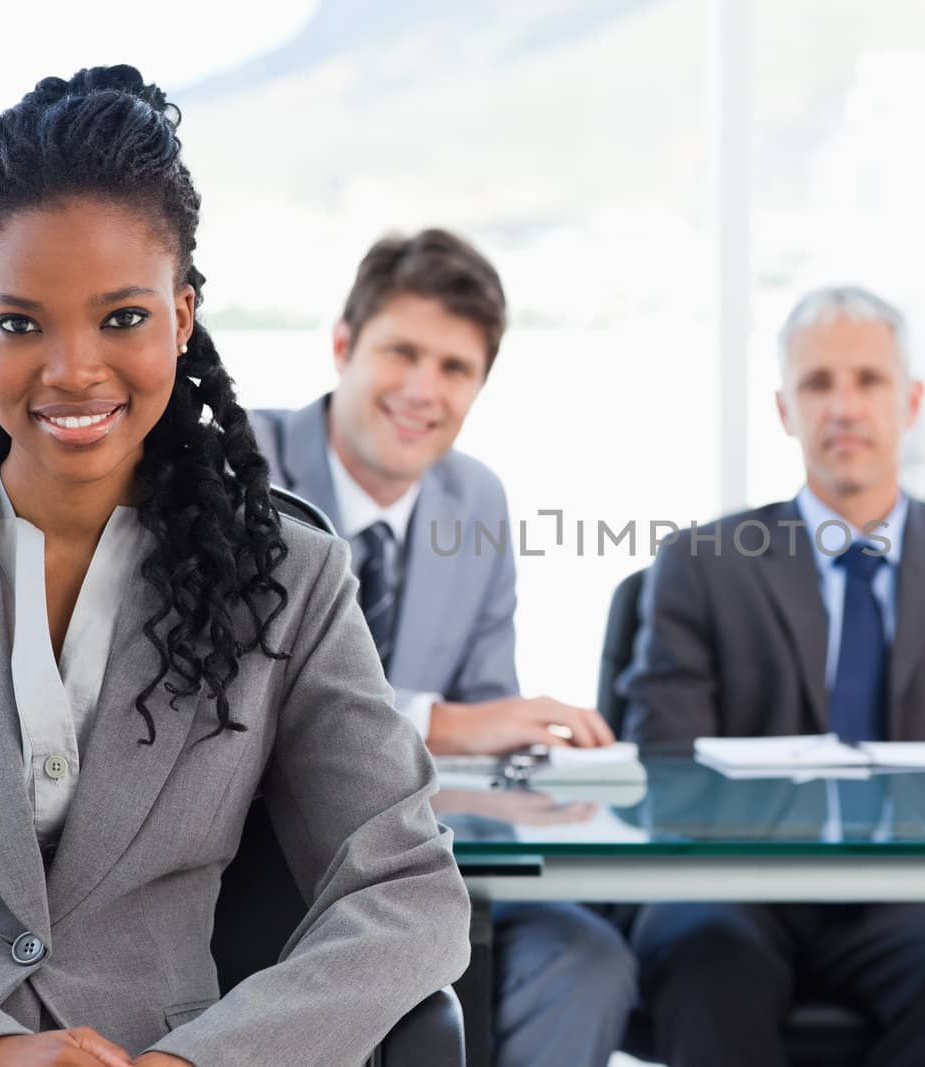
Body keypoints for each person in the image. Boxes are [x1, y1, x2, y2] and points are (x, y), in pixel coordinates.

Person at [0, 67, 469, 1065]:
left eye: (122, 317)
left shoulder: (293, 581)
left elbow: (406, 888)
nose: (73, 368)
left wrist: (206, 1059)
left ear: (182, 317)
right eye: (20, 323)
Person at [618, 285, 925, 1067]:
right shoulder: (702, 564)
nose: (843, 406)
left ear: (910, 401)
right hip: (734, 886)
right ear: (785, 409)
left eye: (868, 381)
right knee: (703, 953)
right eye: (818, 384)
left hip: (914, 893)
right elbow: (666, 767)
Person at [250, 231, 636, 1067]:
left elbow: (489, 714)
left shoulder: (477, 498)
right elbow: (246, 704)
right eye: (403, 353)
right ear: (345, 346)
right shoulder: (245, 469)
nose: (424, 391)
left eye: (456, 368)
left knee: (589, 960)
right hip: (260, 871)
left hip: (431, 869)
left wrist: (535, 774)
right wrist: (449, 724)